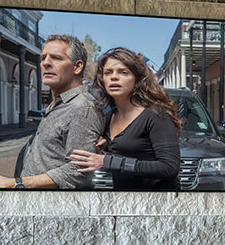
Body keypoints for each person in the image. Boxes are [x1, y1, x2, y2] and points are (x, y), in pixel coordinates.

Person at [0, 34, 104, 190]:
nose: (46, 63)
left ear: (77, 67)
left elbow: (78, 173)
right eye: (43, 58)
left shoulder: (81, 108)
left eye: (56, 58)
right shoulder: (58, 103)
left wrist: (14, 183)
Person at [69, 47, 181, 191]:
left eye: (123, 72)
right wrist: (103, 149)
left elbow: (170, 167)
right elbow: (126, 154)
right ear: (102, 80)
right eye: (108, 72)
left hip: (158, 200)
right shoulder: (109, 117)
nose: (114, 77)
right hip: (124, 199)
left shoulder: (156, 115)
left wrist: (107, 161)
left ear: (137, 79)